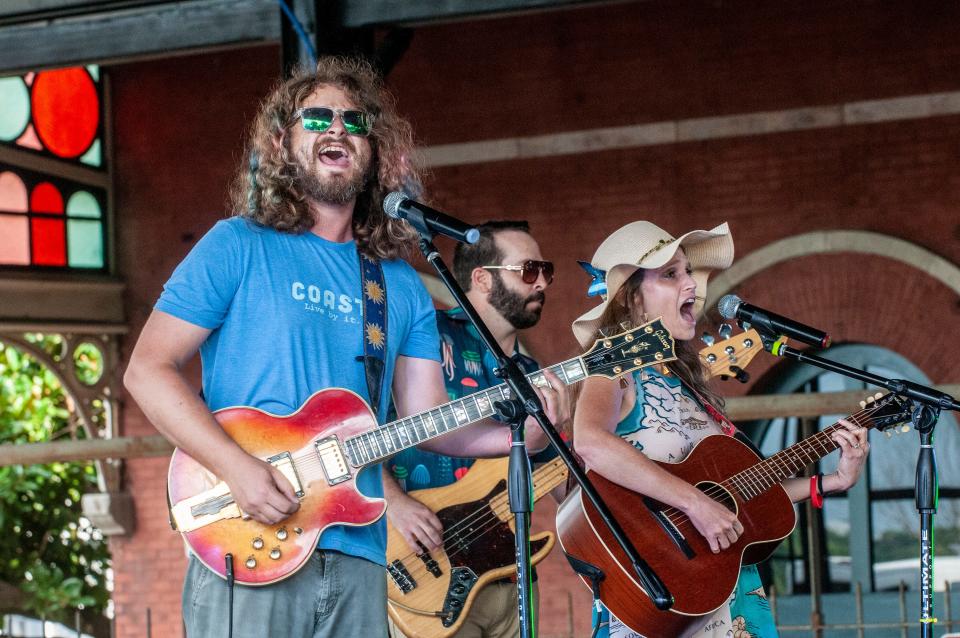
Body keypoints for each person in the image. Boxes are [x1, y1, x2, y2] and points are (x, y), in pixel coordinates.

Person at [123, 57, 561, 638]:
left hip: (359, 551)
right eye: (317, 118)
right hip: (250, 539)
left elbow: (428, 420)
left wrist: (516, 434)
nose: (337, 130)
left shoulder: (397, 283)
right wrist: (238, 469)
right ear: (283, 142)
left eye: (354, 122)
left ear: (374, 150)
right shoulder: (235, 246)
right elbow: (147, 371)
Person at [570, 220, 870, 638]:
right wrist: (694, 503)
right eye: (671, 274)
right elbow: (591, 444)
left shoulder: (685, 382)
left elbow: (737, 495)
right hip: (663, 592)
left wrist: (831, 481)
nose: (691, 283)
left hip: (728, 588)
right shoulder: (611, 367)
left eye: (688, 271)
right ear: (632, 299)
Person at [384, 220, 570, 638]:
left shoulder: (531, 375)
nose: (541, 282)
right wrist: (392, 501)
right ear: (482, 279)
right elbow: (361, 428)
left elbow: (556, 477)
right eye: (528, 270)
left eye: (546, 271)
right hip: (426, 568)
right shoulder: (424, 339)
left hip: (509, 571)